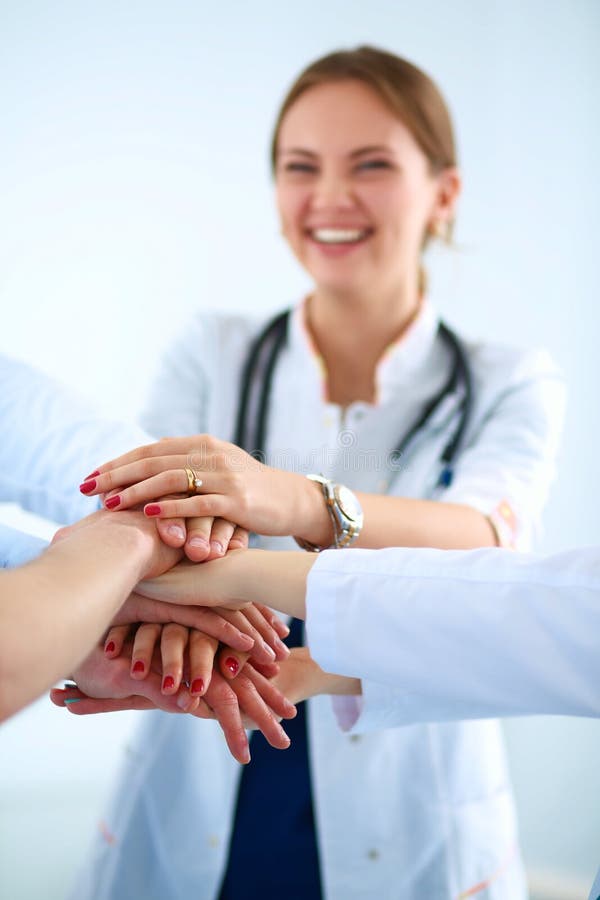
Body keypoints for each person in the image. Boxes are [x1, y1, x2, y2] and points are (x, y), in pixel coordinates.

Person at [72, 45, 565, 900]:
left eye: (371, 165)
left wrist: (296, 499)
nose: (330, 198)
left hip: (412, 790)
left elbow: (489, 550)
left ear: (444, 193)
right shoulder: (212, 351)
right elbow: (137, 530)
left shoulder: (511, 379)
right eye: (300, 167)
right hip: (208, 759)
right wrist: (166, 596)